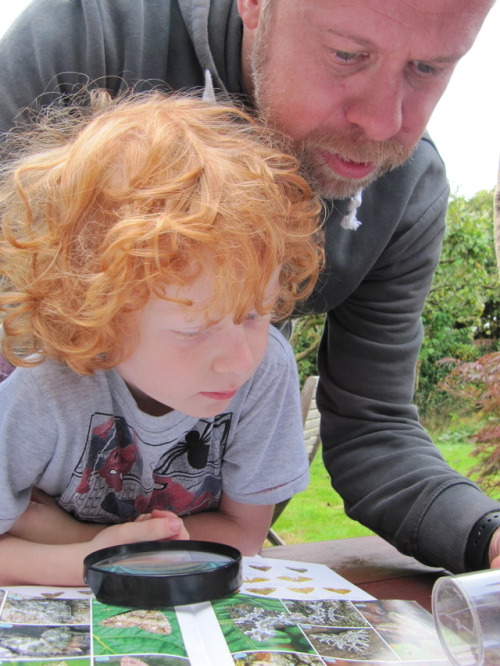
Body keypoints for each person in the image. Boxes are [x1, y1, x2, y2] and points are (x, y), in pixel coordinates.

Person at [0, 0, 499, 575]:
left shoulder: (407, 188)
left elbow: (373, 423)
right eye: (346, 54)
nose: (385, 123)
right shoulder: (88, 38)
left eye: (429, 68)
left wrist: (484, 532)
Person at [0, 90, 323, 586]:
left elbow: (245, 533)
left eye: (257, 315)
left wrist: (68, 535)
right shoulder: (44, 386)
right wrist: (86, 561)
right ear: (94, 314)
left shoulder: (266, 371)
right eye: (192, 330)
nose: (239, 361)